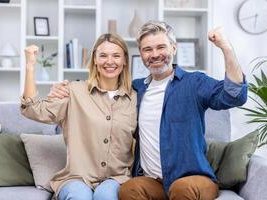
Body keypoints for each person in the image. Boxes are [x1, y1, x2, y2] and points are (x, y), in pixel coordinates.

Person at [49, 21, 248, 200]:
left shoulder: (194, 82)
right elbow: (104, 97)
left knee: (182, 188)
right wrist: (65, 89)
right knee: (129, 190)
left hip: (192, 178)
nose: (154, 54)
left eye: (161, 47)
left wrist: (225, 47)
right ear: (141, 55)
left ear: (174, 48)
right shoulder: (136, 90)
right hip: (153, 182)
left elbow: (234, 95)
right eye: (147, 49)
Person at [21, 33, 137, 200]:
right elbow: (34, 110)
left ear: (125, 60)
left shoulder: (135, 98)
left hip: (117, 179)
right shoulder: (74, 91)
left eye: (116, 56)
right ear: (95, 60)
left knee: (106, 196)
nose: (109, 61)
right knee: (80, 196)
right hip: (77, 178)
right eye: (103, 55)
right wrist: (30, 65)